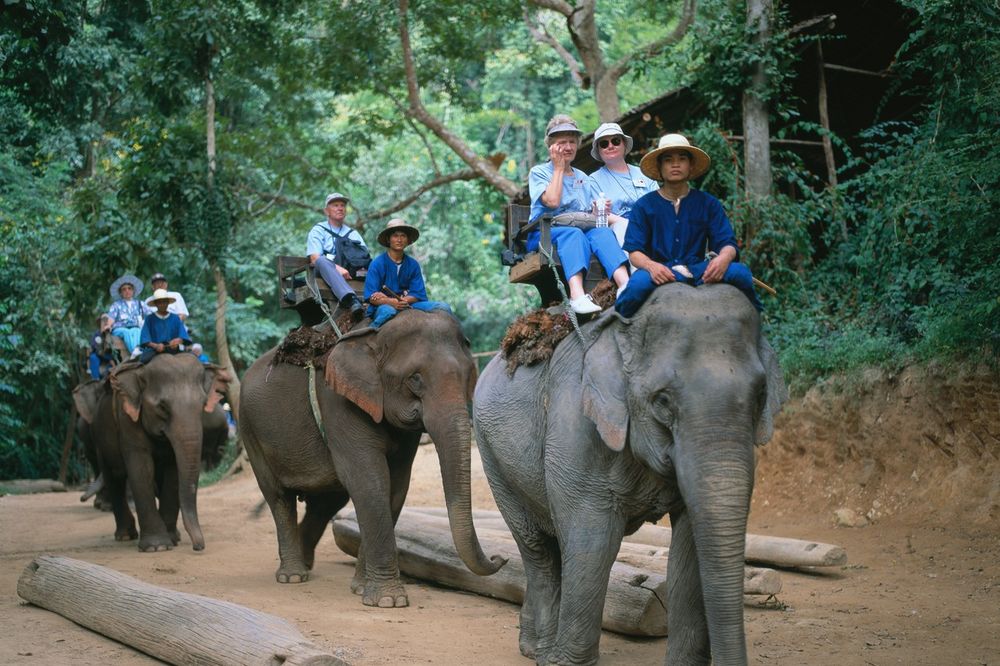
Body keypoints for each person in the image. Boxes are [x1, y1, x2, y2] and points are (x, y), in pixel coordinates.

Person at [615, 133, 763, 318]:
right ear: (660, 168)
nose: (675, 164)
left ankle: (757, 322)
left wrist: (723, 259)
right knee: (636, 286)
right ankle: (620, 323)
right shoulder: (644, 206)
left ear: (690, 166)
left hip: (700, 270)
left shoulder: (708, 203)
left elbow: (727, 243)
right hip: (661, 270)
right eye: (668, 160)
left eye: (682, 159)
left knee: (741, 273)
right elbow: (634, 252)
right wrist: (652, 267)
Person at [528, 114, 630, 315]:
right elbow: (552, 202)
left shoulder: (582, 177)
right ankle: (577, 295)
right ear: (551, 146)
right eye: (561, 142)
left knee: (602, 233)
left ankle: (625, 284)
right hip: (543, 234)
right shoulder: (539, 172)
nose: (567, 147)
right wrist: (558, 168)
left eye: (572, 142)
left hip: (580, 230)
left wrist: (599, 209)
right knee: (573, 235)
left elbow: (590, 214)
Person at [363, 218, 452, 330]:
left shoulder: (413, 264)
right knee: (388, 312)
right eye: (395, 236)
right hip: (385, 306)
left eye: (403, 236)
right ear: (388, 239)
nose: (399, 239)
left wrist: (403, 301)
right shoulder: (377, 264)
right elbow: (372, 296)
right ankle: (369, 332)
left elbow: (417, 293)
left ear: (407, 240)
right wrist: (391, 302)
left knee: (444, 307)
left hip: (408, 303)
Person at [587, 122, 658, 249]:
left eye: (615, 141)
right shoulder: (593, 180)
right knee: (623, 228)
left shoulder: (644, 173)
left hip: (651, 224)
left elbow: (659, 204)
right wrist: (632, 224)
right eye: (604, 144)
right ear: (598, 150)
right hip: (619, 229)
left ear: (624, 144)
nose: (610, 146)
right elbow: (601, 213)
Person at [306, 192, 366, 321]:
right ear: (326, 211)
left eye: (342, 205)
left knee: (378, 264)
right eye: (335, 205)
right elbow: (314, 258)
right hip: (325, 272)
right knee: (321, 260)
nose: (340, 208)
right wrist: (338, 269)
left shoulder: (353, 234)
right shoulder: (318, 230)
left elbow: (365, 258)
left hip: (351, 272)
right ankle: (351, 300)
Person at [138, 289, 192, 364]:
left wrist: (178, 340)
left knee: (191, 362)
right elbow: (145, 338)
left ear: (168, 303)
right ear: (156, 304)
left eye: (165, 302)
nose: (162, 304)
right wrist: (156, 346)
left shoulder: (175, 318)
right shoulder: (149, 319)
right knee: (141, 365)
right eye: (159, 302)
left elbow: (183, 335)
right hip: (154, 350)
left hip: (174, 350)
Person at [106, 274, 152, 355]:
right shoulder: (116, 305)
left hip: (135, 327)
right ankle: (135, 353)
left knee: (137, 330)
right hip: (120, 329)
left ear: (133, 290)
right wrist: (109, 325)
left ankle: (138, 351)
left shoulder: (140, 304)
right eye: (124, 289)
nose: (127, 291)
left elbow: (151, 316)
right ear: (120, 293)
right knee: (126, 332)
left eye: (129, 288)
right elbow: (111, 318)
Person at [88, 314, 114, 380]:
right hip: (100, 355)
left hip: (110, 357)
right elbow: (94, 346)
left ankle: (106, 379)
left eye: (106, 321)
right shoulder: (97, 334)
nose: (104, 323)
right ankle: (95, 379)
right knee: (93, 357)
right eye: (102, 321)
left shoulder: (112, 333)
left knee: (112, 364)